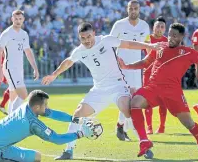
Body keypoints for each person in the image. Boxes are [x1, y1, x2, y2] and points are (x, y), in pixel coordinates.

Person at [118, 23, 198, 158]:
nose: (170, 38)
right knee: (135, 102)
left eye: (174, 36)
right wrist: (127, 66)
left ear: (182, 37)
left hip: (173, 92)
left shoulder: (189, 52)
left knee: (189, 123)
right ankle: (144, 141)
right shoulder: (160, 46)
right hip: (153, 87)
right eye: (170, 34)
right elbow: (145, 62)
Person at [41, 22, 160, 160]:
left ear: (94, 33)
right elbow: (68, 61)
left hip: (117, 86)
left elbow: (127, 44)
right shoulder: (80, 50)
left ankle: (144, 144)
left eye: (89, 36)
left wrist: (149, 46)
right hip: (98, 90)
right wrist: (54, 74)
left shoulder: (106, 40)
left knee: (128, 110)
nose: (86, 41)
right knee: (78, 115)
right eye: (83, 38)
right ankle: (68, 151)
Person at [0, 90, 95, 162]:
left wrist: (75, 120)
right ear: (37, 107)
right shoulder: (34, 124)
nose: (47, 107)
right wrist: (81, 134)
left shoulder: (28, 105)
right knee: (36, 157)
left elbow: (52, 113)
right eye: (45, 105)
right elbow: (57, 139)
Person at [110, 0, 150, 141]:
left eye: (136, 8)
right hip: (121, 68)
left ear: (139, 10)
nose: (133, 11)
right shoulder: (119, 25)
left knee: (135, 99)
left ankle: (121, 127)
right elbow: (110, 44)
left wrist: (149, 62)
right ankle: (137, 132)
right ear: (127, 9)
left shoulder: (144, 26)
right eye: (131, 8)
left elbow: (147, 45)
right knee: (128, 97)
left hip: (136, 68)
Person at [0, 10, 39, 114]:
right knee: (23, 95)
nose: (18, 21)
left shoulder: (24, 34)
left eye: (20, 19)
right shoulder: (7, 33)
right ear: (12, 19)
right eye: (16, 19)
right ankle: (13, 120)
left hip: (19, 68)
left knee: (13, 95)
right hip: (10, 67)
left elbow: (28, 51)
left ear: (23, 19)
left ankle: (9, 120)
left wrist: (35, 68)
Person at [143, 16, 168, 135]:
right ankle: (149, 127)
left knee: (163, 100)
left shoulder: (167, 41)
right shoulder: (148, 38)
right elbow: (149, 53)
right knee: (148, 99)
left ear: (165, 29)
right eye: (157, 26)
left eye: (162, 27)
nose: (159, 28)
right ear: (153, 27)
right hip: (148, 72)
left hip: (161, 74)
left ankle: (162, 126)